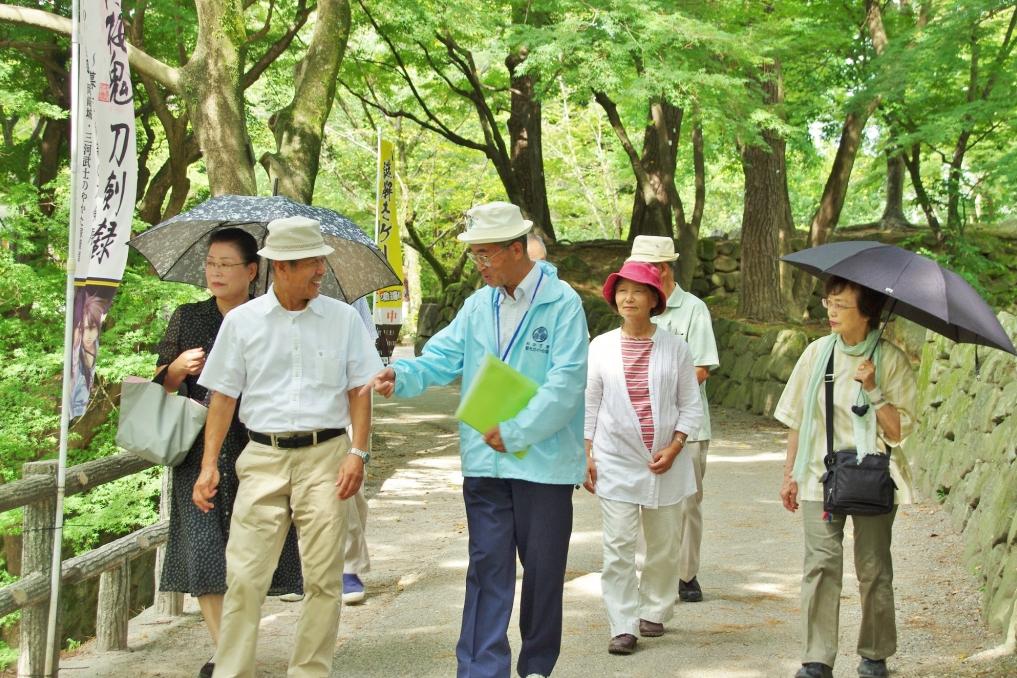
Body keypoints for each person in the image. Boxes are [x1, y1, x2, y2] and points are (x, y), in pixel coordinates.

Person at [363, 201, 589, 678]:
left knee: (544, 573)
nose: (479, 264)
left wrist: (519, 430)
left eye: (486, 254)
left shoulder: (562, 302)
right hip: (485, 460)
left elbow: (567, 384)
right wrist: (400, 374)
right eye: (475, 255)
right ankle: (481, 669)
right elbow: (441, 357)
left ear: (516, 248)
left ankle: (536, 667)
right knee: (487, 569)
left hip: (542, 463)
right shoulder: (477, 304)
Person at [193, 216, 382, 678]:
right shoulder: (241, 323)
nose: (321, 270)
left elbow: (361, 389)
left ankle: (310, 672)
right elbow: (223, 397)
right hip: (262, 457)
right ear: (280, 266)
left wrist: (358, 452)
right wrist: (208, 465)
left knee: (322, 578)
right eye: (312, 263)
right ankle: (233, 671)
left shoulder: (342, 319)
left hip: (327, 456)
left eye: (322, 260)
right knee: (245, 576)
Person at [154, 227, 303, 678]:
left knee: (250, 556)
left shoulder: (270, 317)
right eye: (210, 263)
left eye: (226, 264)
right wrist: (175, 369)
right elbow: (158, 382)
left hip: (255, 447)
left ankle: (235, 650)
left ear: (252, 270)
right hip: (197, 449)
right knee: (204, 553)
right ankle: (229, 657)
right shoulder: (187, 316)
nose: (216, 272)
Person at [775, 276, 917, 678]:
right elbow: (798, 420)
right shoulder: (816, 354)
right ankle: (817, 659)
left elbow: (899, 431)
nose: (831, 311)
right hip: (820, 474)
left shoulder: (890, 361)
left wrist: (874, 389)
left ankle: (874, 654)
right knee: (820, 565)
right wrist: (789, 474)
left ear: (867, 312)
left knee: (873, 567)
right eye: (828, 302)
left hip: (873, 476)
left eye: (841, 304)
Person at [583, 261, 703, 656]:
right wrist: (584, 451)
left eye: (637, 291)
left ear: (655, 299)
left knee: (664, 544)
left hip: (666, 461)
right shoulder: (600, 346)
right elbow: (589, 402)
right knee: (618, 545)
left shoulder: (676, 347)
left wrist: (676, 445)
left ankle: (655, 608)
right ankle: (622, 623)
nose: (628, 298)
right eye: (621, 291)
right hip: (615, 458)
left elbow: (690, 405)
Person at [627, 235, 719, 603]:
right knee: (642, 498)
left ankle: (686, 574)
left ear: (663, 269)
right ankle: (647, 573)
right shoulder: (634, 308)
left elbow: (701, 368)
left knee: (687, 502)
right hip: (641, 425)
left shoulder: (692, 309)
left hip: (689, 427)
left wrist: (659, 385)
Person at [278, 295, 376, 606]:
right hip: (286, 412)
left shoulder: (348, 302)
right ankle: (297, 567)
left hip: (340, 407)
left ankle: (348, 566)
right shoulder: (265, 300)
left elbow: (366, 351)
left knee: (344, 490)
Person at [70, 290, 110, 416]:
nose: (88, 335)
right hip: (71, 403)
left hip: (80, 403)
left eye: (93, 328)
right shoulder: (77, 348)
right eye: (85, 329)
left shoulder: (94, 347)